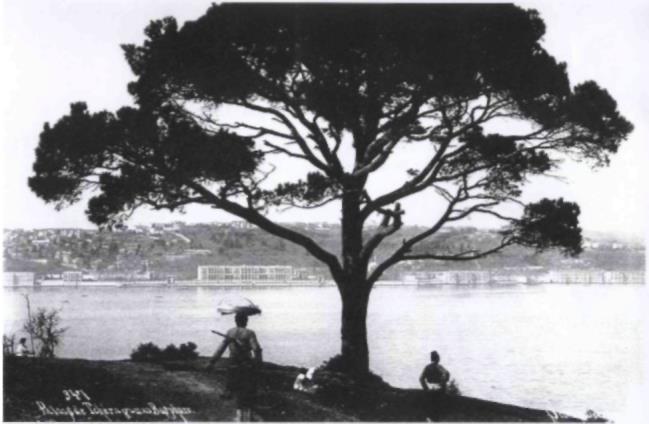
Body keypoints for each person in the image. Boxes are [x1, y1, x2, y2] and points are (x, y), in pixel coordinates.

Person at [206, 312, 262, 422]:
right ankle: (248, 418)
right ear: (246, 320)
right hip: (247, 366)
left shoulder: (230, 332)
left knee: (234, 392)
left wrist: (211, 362)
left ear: (236, 321)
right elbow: (256, 349)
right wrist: (259, 364)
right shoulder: (249, 333)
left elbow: (220, 349)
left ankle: (238, 417)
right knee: (248, 393)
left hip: (233, 365)